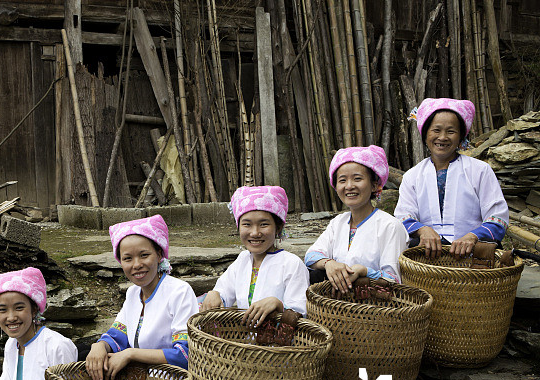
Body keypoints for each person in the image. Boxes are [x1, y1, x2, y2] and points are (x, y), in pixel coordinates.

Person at [85, 215, 198, 380]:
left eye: (144, 255)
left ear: (159, 254)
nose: (136, 264)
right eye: (127, 258)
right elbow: (118, 335)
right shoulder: (132, 294)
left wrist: (131, 354)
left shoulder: (179, 292)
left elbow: (185, 354)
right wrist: (99, 346)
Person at [394, 98, 509, 258]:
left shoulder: (480, 170)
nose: (442, 137)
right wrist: (422, 230)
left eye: (451, 131)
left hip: (473, 257)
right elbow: (402, 217)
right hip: (427, 257)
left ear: (461, 136)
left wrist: (472, 236)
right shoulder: (412, 176)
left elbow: (497, 217)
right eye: (436, 130)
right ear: (425, 133)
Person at [304, 145, 408, 293]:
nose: (349, 186)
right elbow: (310, 256)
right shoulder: (337, 223)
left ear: (374, 185)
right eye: (342, 180)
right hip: (334, 307)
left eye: (357, 179)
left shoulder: (390, 226)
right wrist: (329, 263)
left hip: (376, 308)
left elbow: (394, 279)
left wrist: (364, 271)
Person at [200, 185, 309, 319]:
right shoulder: (242, 260)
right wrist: (215, 294)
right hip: (240, 339)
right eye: (247, 224)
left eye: (264, 224)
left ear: (278, 227)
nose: (255, 233)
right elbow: (223, 292)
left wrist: (278, 305)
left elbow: (300, 312)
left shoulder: (292, 264)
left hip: (279, 339)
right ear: (238, 227)